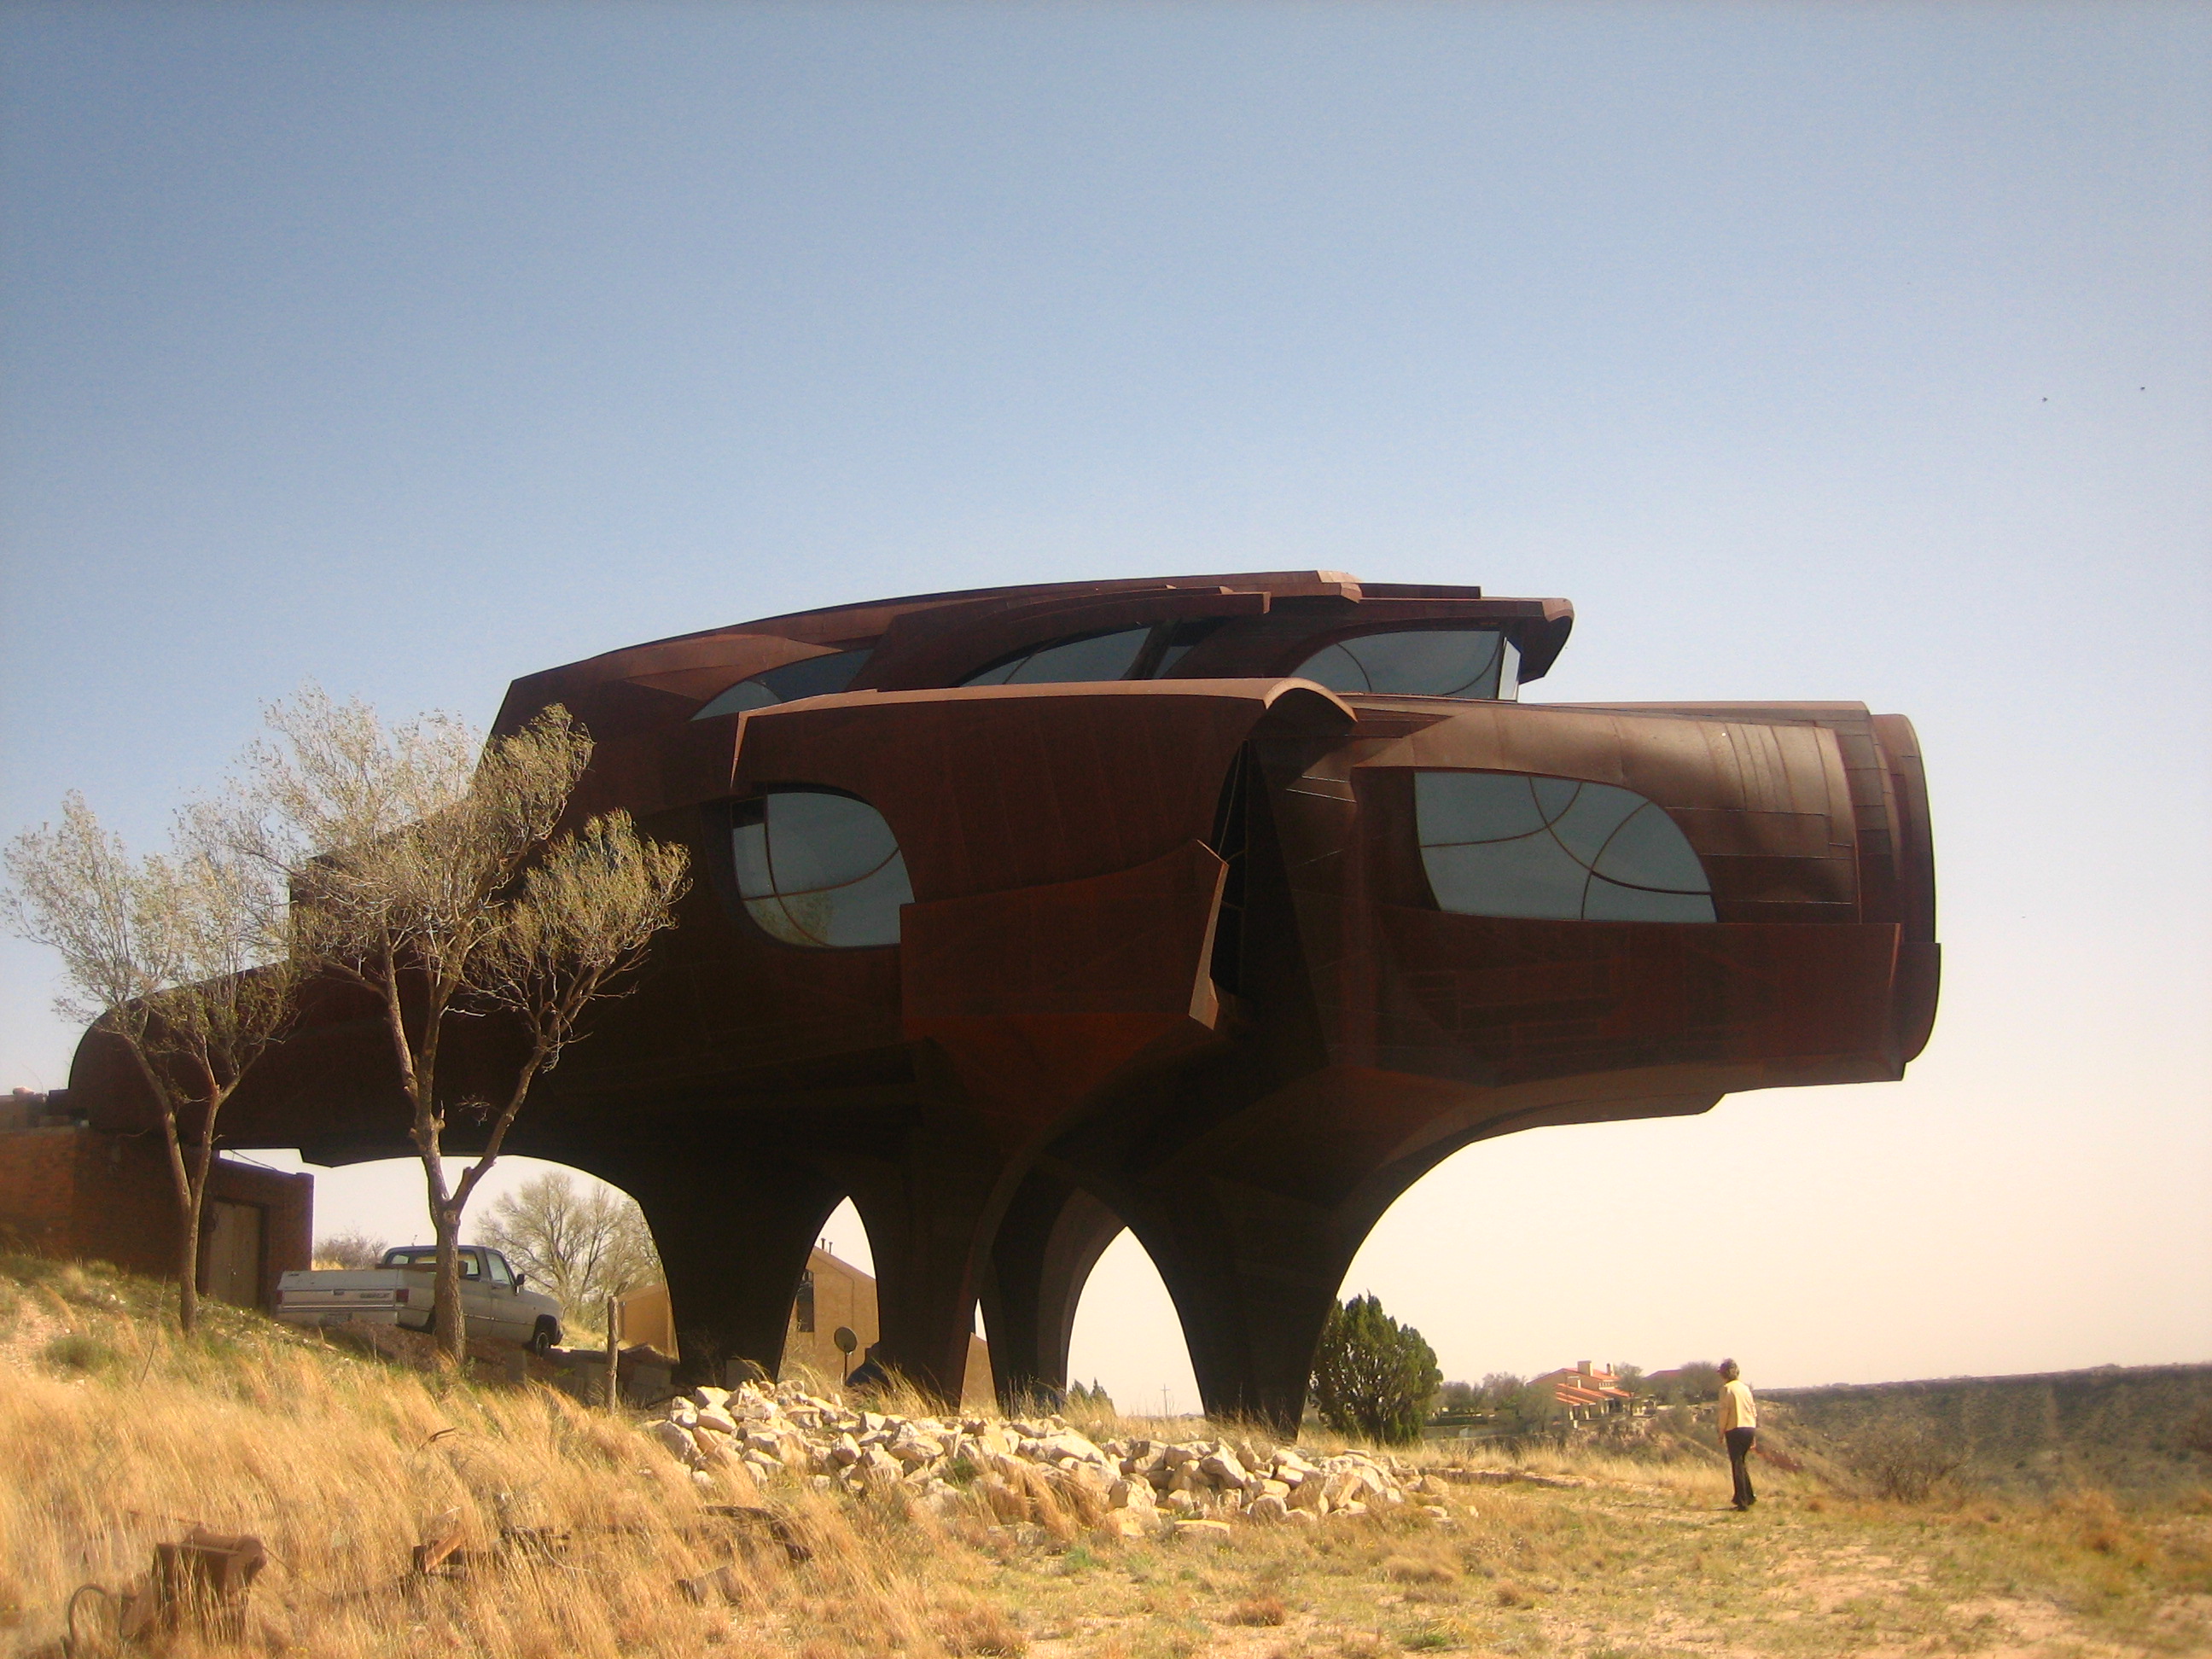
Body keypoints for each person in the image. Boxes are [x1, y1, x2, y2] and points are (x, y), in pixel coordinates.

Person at [1716, 1358, 1758, 1511]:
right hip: (1749, 1427)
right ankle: (1749, 1496)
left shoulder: (1727, 1389)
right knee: (1741, 1462)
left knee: (1737, 1464)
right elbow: (1753, 1410)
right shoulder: (1745, 1388)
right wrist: (1754, 1435)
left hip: (1735, 1428)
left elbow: (1724, 1412)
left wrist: (1721, 1432)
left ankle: (1742, 1502)